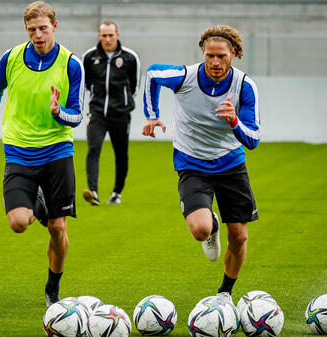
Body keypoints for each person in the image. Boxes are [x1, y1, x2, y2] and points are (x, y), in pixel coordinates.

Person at [0, 1, 84, 307]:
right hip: (19, 152)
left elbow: (78, 115)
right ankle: (39, 202)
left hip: (58, 151)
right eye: (32, 30)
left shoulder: (71, 64)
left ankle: (52, 289)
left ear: (54, 27)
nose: (37, 35)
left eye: (43, 28)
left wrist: (59, 112)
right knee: (19, 222)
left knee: (58, 228)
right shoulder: (11, 58)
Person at [142, 25, 260, 301]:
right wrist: (151, 114)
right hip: (192, 163)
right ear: (203, 54)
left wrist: (234, 121)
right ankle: (211, 226)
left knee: (240, 237)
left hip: (231, 164)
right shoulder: (185, 76)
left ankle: (225, 294)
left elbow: (253, 139)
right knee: (200, 230)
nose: (215, 62)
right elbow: (152, 73)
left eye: (221, 56)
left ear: (233, 53)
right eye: (210, 56)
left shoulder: (244, 86)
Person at [81, 20, 140, 205]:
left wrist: (122, 103)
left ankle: (116, 193)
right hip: (97, 113)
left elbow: (134, 86)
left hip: (120, 114)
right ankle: (93, 192)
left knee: (121, 153)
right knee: (93, 149)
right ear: (99, 36)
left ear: (117, 35)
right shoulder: (89, 57)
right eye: (104, 35)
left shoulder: (130, 57)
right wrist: (93, 107)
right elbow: (86, 84)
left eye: (111, 35)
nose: (107, 39)